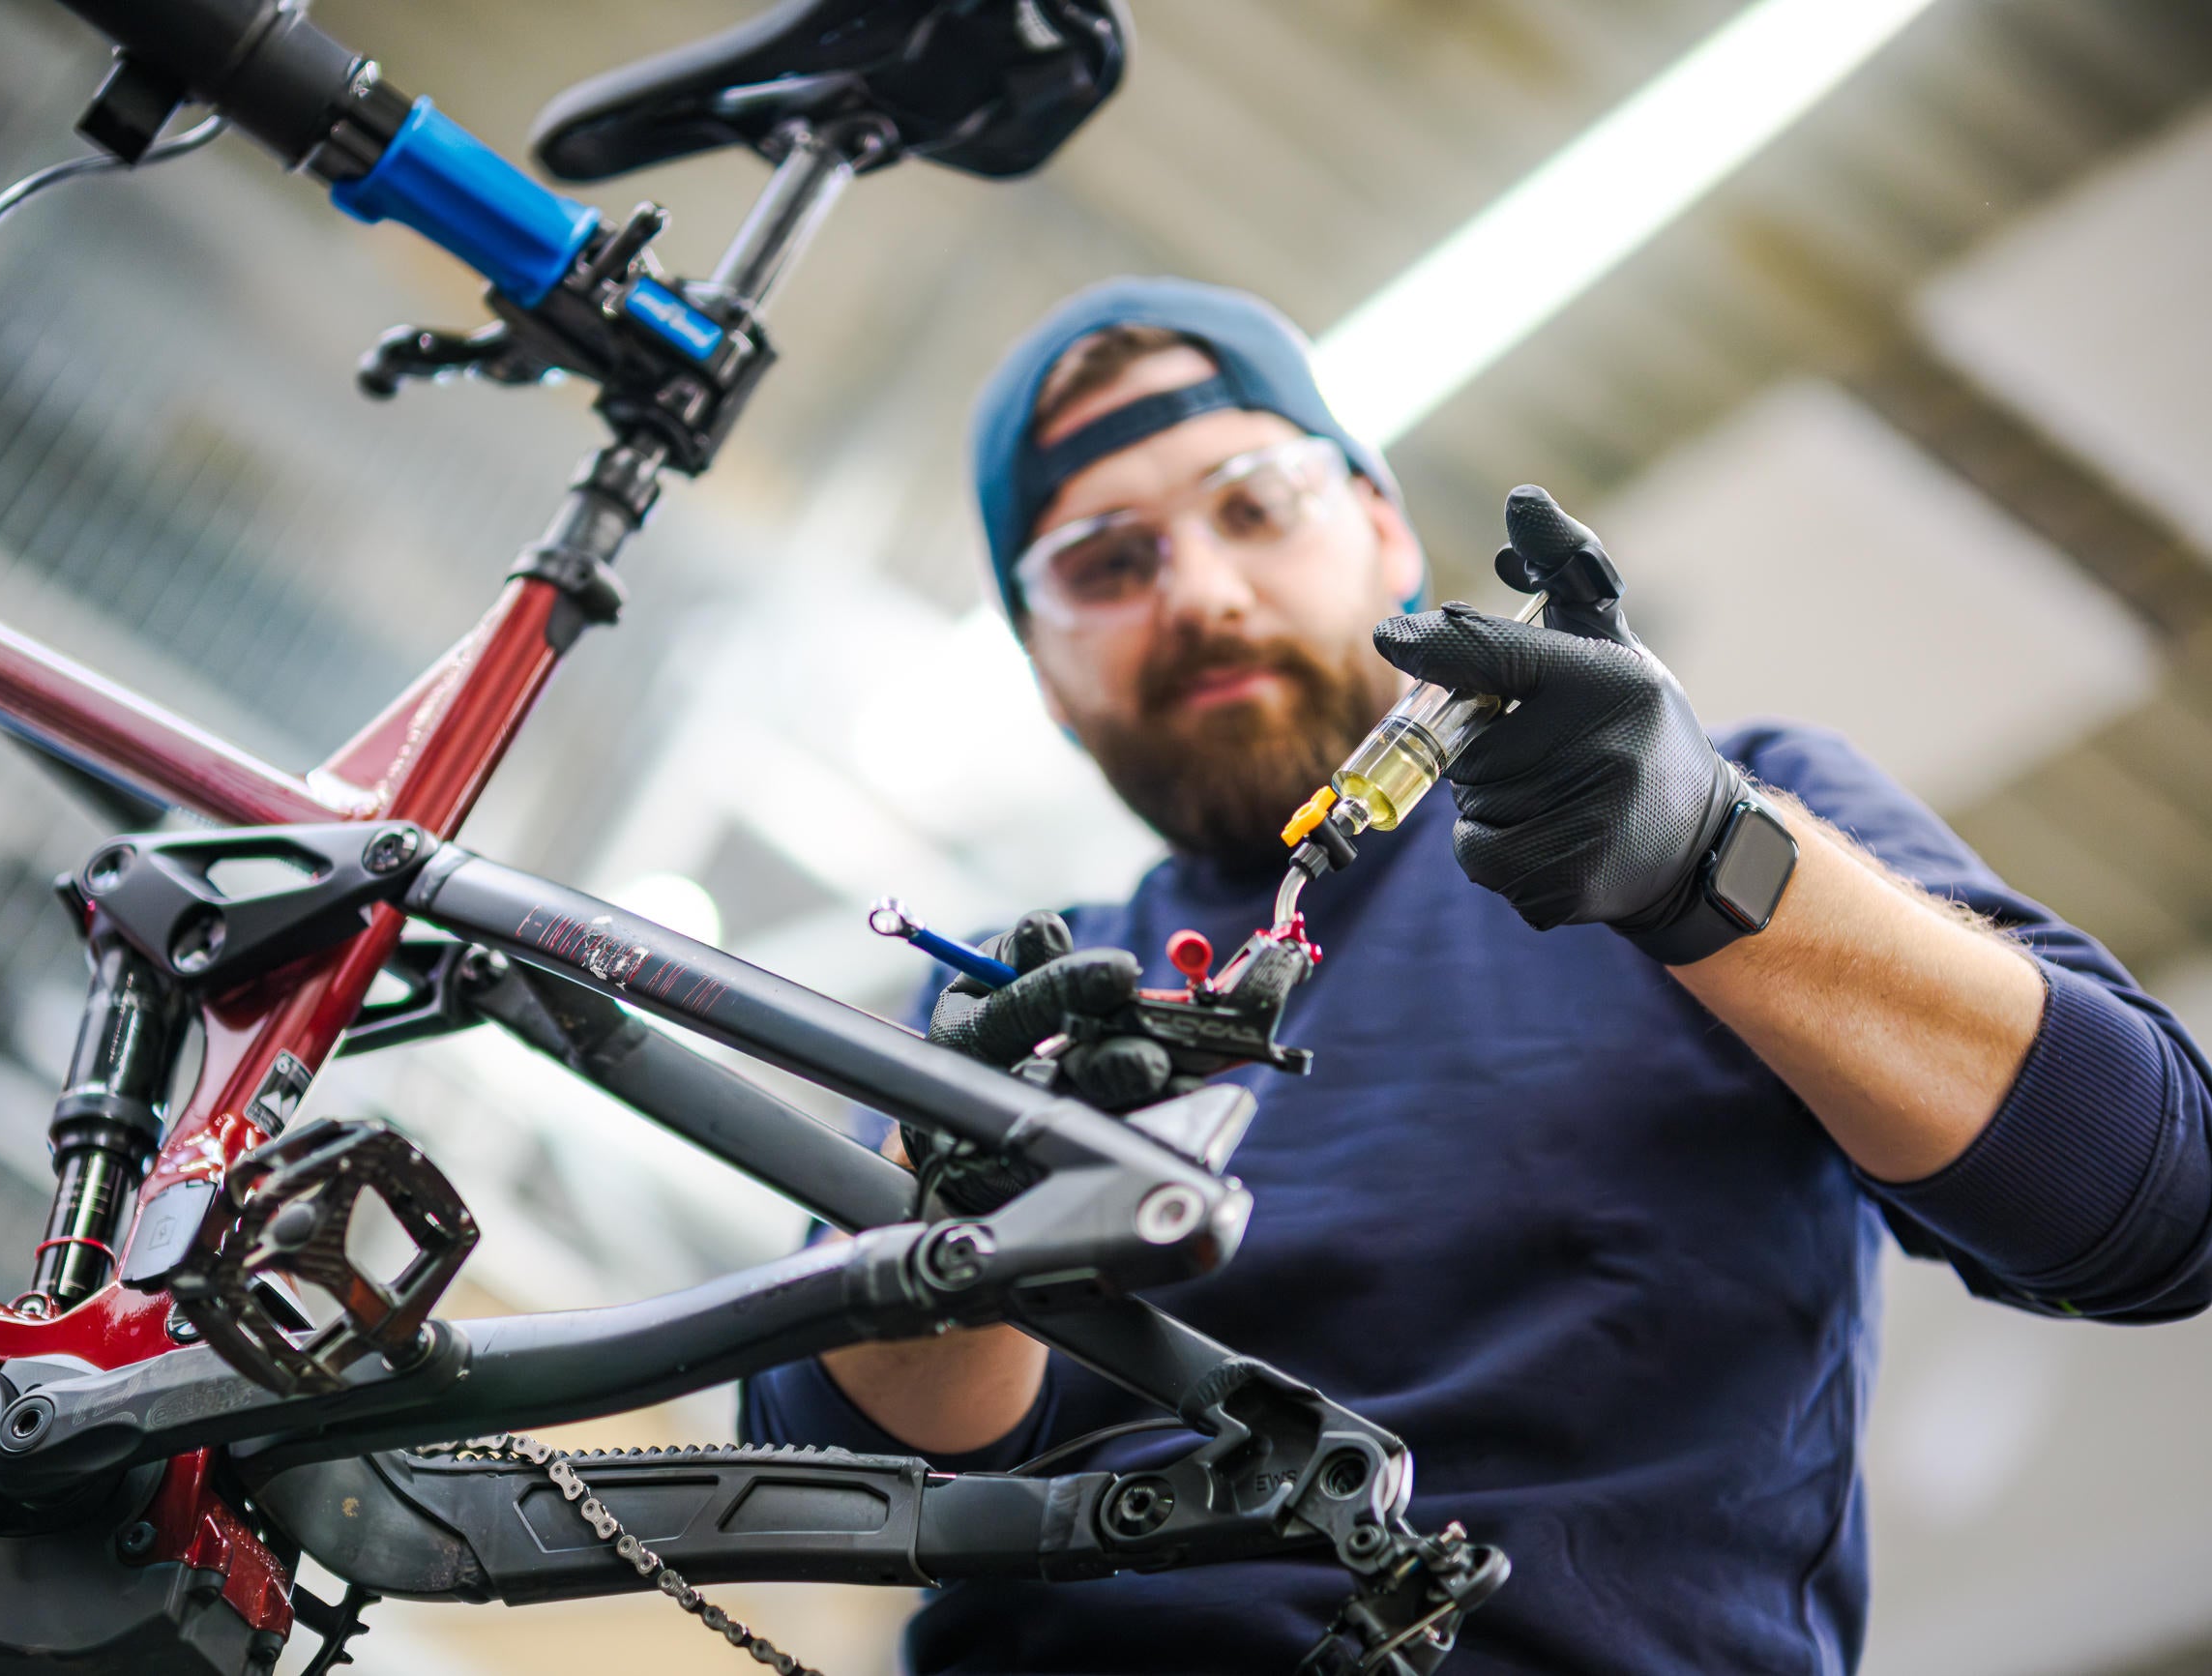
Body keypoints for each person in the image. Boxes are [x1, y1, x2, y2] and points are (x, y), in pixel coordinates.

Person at [742, 277, 2212, 1675]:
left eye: (1255, 505)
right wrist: (960, 1215)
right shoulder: (1014, 1009)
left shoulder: (1754, 809)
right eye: (1105, 564)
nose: (1199, 592)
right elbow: (824, 1481)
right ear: (1045, 676)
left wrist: (1712, 862)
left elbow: (2154, 1204)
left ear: (1386, 534)